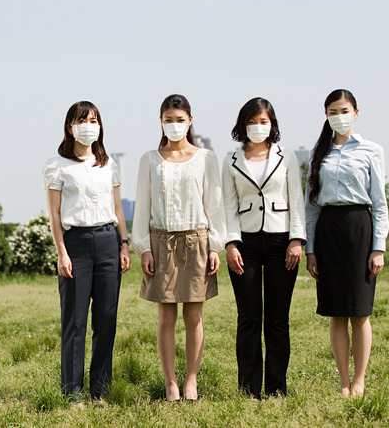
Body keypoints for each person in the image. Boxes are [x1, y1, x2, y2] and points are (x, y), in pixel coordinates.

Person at [132, 94, 226, 402]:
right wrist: (144, 248)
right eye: (168, 120)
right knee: (166, 315)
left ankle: (191, 380)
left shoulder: (206, 157)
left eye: (180, 119)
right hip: (161, 240)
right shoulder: (150, 159)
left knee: (194, 314)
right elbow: (143, 205)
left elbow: (213, 203)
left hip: (196, 240)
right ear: (160, 122)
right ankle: (170, 382)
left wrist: (214, 246)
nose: (175, 125)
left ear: (190, 120)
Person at [43, 101, 131, 404]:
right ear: (70, 127)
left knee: (106, 320)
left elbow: (118, 207)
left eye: (94, 120)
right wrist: (62, 253)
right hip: (76, 244)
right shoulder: (57, 166)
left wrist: (124, 244)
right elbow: (54, 215)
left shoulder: (108, 163)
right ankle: (73, 392)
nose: (89, 125)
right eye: (82, 120)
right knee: (76, 321)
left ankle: (100, 390)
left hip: (108, 241)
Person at [305, 89, 388, 398]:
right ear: (326, 115)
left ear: (355, 112)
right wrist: (311, 248)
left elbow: (380, 203)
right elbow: (311, 206)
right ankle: (343, 380)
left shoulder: (371, 150)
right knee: (335, 311)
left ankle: (360, 380)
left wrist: (378, 247)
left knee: (359, 311)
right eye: (332, 111)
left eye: (344, 110)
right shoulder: (319, 152)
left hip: (359, 230)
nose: (338, 116)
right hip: (328, 231)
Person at [221, 97, 306, 399]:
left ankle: (276, 388)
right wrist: (230, 244)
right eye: (253, 121)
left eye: (264, 121)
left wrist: (297, 239)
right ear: (243, 125)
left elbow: (296, 198)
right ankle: (248, 390)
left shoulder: (287, 156)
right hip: (245, 244)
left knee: (277, 319)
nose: (258, 127)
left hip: (282, 241)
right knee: (248, 318)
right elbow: (228, 205)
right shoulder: (231, 160)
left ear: (272, 125)